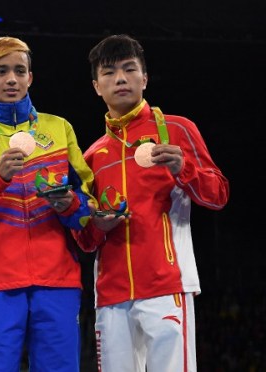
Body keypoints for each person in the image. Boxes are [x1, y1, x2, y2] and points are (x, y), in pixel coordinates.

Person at [74, 34, 230, 371]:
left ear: (144, 78)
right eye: (109, 72)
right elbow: (86, 240)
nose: (120, 79)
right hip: (112, 295)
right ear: (96, 86)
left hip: (166, 284)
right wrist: (97, 225)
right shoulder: (91, 156)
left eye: (129, 70)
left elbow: (217, 196)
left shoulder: (176, 129)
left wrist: (183, 168)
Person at [0, 36, 95, 371]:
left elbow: (87, 205)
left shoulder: (60, 129)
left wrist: (69, 204)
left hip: (58, 279)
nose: (11, 79)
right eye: (1, 70)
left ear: (30, 77)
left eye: (19, 70)